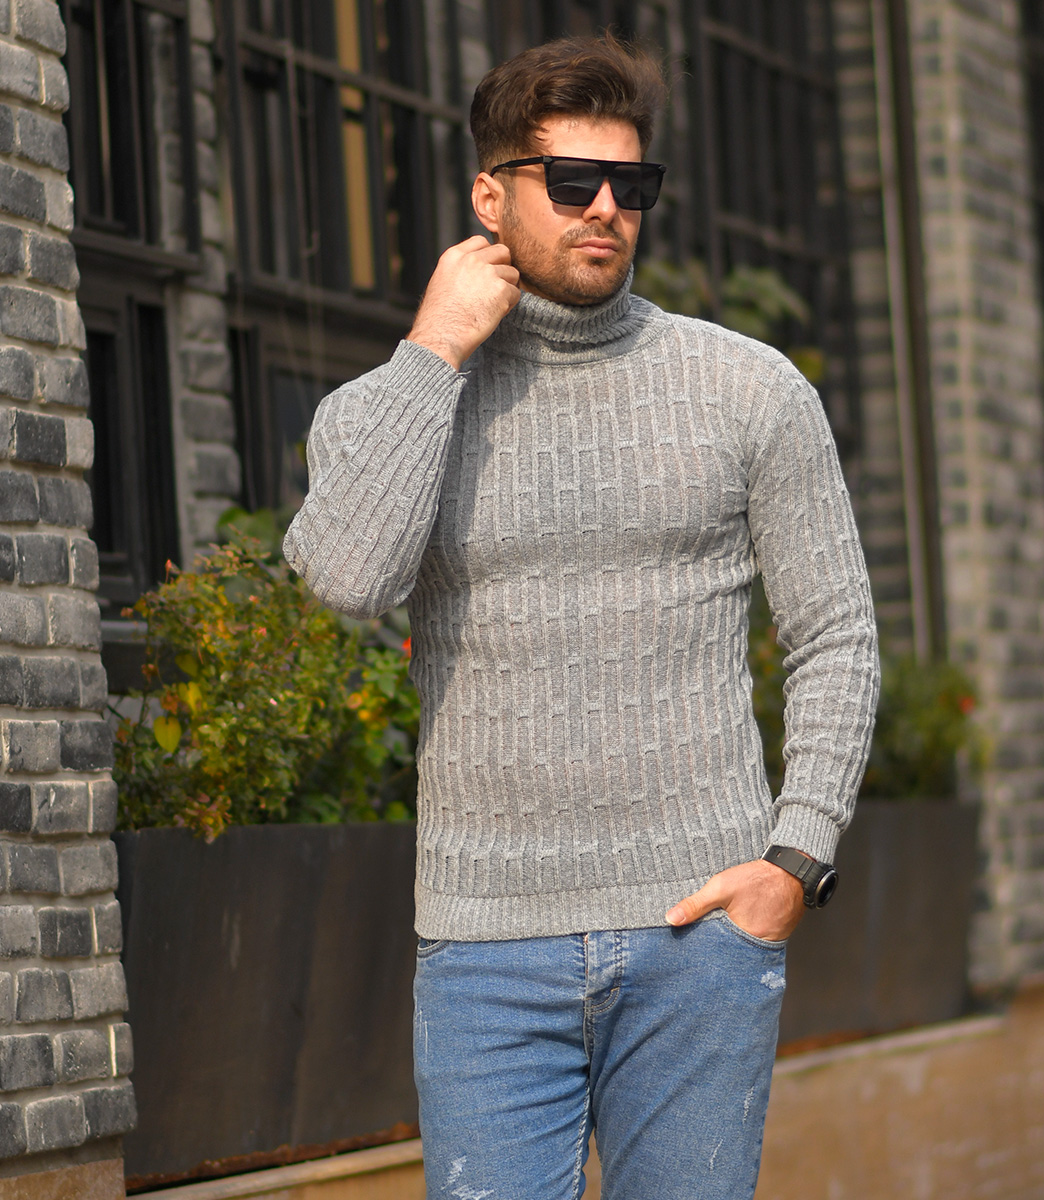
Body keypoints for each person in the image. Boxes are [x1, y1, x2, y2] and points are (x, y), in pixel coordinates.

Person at [283, 33, 879, 1200]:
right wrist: (434, 349)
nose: (607, 208)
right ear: (489, 198)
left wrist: (795, 862)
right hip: (485, 952)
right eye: (571, 182)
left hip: (700, 939)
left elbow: (836, 638)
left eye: (630, 184)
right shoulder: (389, 406)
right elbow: (345, 578)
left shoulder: (749, 390)